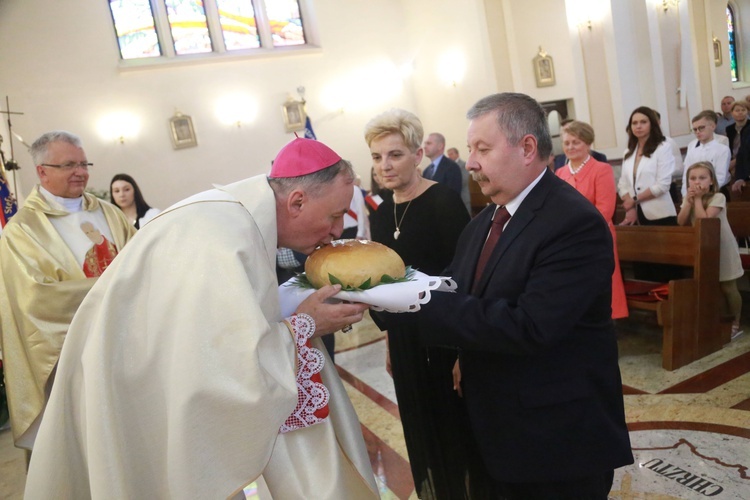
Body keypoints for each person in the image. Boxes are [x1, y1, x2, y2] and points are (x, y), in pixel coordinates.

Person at [24, 138, 378, 499]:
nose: (337, 231)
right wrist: (307, 325)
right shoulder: (224, 238)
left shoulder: (233, 217)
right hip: (128, 392)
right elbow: (223, 371)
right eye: (334, 216)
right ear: (297, 201)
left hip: (135, 378)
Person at [415, 93, 633, 499]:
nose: (472, 162)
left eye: (483, 149)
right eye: (472, 149)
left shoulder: (573, 223)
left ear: (527, 148)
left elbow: (531, 326)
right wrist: (391, 290)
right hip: (495, 430)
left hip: (555, 440)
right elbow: (456, 284)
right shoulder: (485, 221)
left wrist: (421, 306)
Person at [365, 109, 485, 499]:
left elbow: (464, 277)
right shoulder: (382, 213)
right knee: (419, 427)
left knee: (454, 429)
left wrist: (462, 351)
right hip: (404, 340)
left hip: (445, 337)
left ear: (418, 155)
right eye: (377, 156)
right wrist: (388, 341)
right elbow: (386, 281)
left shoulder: (442, 201)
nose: (385, 165)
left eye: (395, 154)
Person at [0, 131, 136, 452]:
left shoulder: (108, 212)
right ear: (42, 171)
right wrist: (115, 289)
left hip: (128, 344)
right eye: (68, 165)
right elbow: (35, 299)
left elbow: (139, 261)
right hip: (72, 356)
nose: (80, 171)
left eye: (83, 163)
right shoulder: (23, 230)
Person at [555, 120, 628, 319]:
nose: (570, 147)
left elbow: (605, 209)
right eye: (567, 143)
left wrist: (579, 231)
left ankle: (608, 320)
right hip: (568, 240)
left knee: (602, 280)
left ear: (588, 144)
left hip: (597, 236)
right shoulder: (560, 173)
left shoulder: (601, 169)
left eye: (575, 142)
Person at [678, 161, 744, 339]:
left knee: (729, 287)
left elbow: (705, 221)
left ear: (712, 181)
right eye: (692, 178)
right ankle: (720, 321)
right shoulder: (689, 198)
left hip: (723, 248)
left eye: (702, 177)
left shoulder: (718, 197)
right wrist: (689, 203)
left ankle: (736, 321)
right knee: (712, 287)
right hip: (705, 249)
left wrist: (698, 199)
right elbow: (681, 221)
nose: (697, 182)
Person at [618, 107, 677, 227]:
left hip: (660, 214)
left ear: (652, 124)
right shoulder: (628, 152)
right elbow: (622, 184)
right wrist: (631, 208)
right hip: (635, 213)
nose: (638, 126)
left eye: (643, 122)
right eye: (634, 123)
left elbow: (662, 185)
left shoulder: (663, 148)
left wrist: (634, 200)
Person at [681, 111, 731, 198]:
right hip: (694, 194)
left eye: (701, 128)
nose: (698, 132)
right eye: (695, 129)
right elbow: (686, 175)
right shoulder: (693, 151)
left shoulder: (722, 149)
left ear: (712, 126)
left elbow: (720, 176)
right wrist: (685, 195)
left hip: (716, 192)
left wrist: (705, 194)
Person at [422, 132, 464, 199]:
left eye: (429, 143)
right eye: (425, 143)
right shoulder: (426, 171)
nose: (424, 146)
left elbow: (453, 196)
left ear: (440, 146)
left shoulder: (452, 167)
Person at [728, 100, 750, 194]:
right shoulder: (747, 131)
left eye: (743, 110)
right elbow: (742, 153)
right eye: (737, 110)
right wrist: (739, 178)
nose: (740, 112)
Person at [447, 146, 472, 214]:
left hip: (463, 196)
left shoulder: (463, 164)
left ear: (457, 154)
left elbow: (464, 180)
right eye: (448, 154)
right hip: (452, 198)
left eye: (451, 154)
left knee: (466, 218)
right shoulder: (449, 166)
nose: (449, 156)